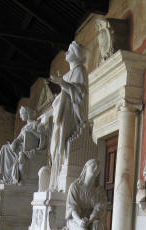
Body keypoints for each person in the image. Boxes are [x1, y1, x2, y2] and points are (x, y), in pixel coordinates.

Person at [46, 41, 88, 189]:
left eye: (70, 50)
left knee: (63, 145)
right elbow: (59, 99)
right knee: (56, 145)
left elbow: (79, 95)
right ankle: (55, 180)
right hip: (62, 115)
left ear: (77, 54)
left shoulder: (80, 70)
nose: (67, 53)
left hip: (70, 115)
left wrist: (62, 83)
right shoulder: (67, 74)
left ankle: (59, 177)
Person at [64, 159, 107, 230]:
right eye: (93, 165)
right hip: (75, 219)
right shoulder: (75, 187)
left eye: (98, 167)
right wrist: (79, 221)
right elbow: (72, 207)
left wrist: (90, 219)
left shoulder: (99, 190)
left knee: (97, 227)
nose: (96, 168)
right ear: (85, 168)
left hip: (91, 220)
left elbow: (99, 208)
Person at [0, 106, 46, 184]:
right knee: (5, 147)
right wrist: (15, 142)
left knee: (5, 149)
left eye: (22, 114)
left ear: (27, 114)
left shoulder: (35, 124)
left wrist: (32, 131)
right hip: (21, 147)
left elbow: (42, 137)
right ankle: (2, 175)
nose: (20, 116)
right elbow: (19, 138)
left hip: (28, 148)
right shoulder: (24, 127)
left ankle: (0, 172)